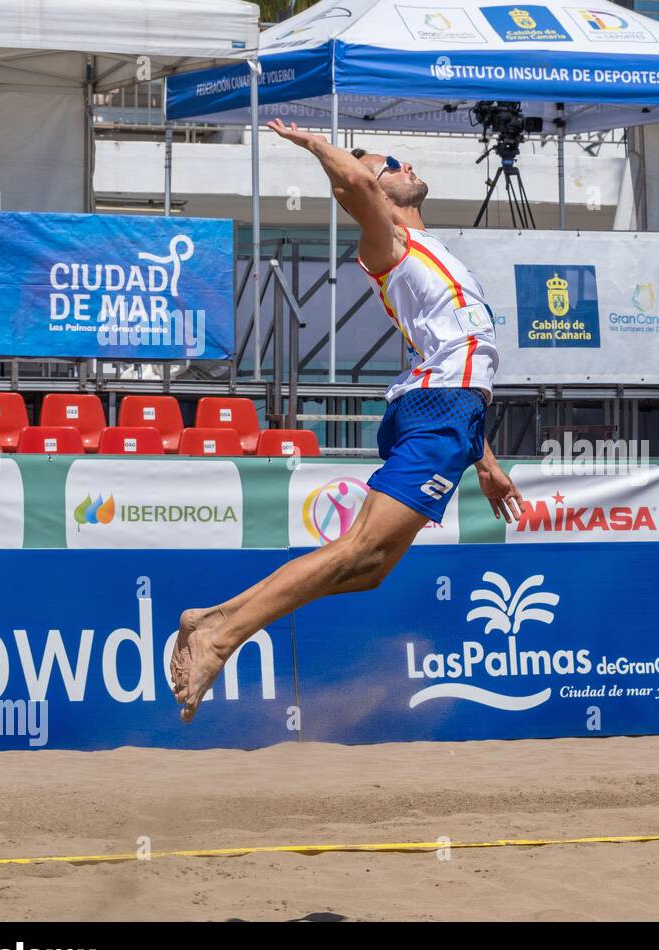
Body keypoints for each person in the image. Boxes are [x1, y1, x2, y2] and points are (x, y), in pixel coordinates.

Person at [169, 119, 524, 724]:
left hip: (453, 410)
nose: (405, 165)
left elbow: (453, 358)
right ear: (376, 192)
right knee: (357, 550)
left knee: (370, 570)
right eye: (392, 163)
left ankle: (211, 617)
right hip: (439, 409)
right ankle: (219, 640)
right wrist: (314, 143)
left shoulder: (431, 250)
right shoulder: (386, 243)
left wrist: (483, 461)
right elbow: (354, 180)